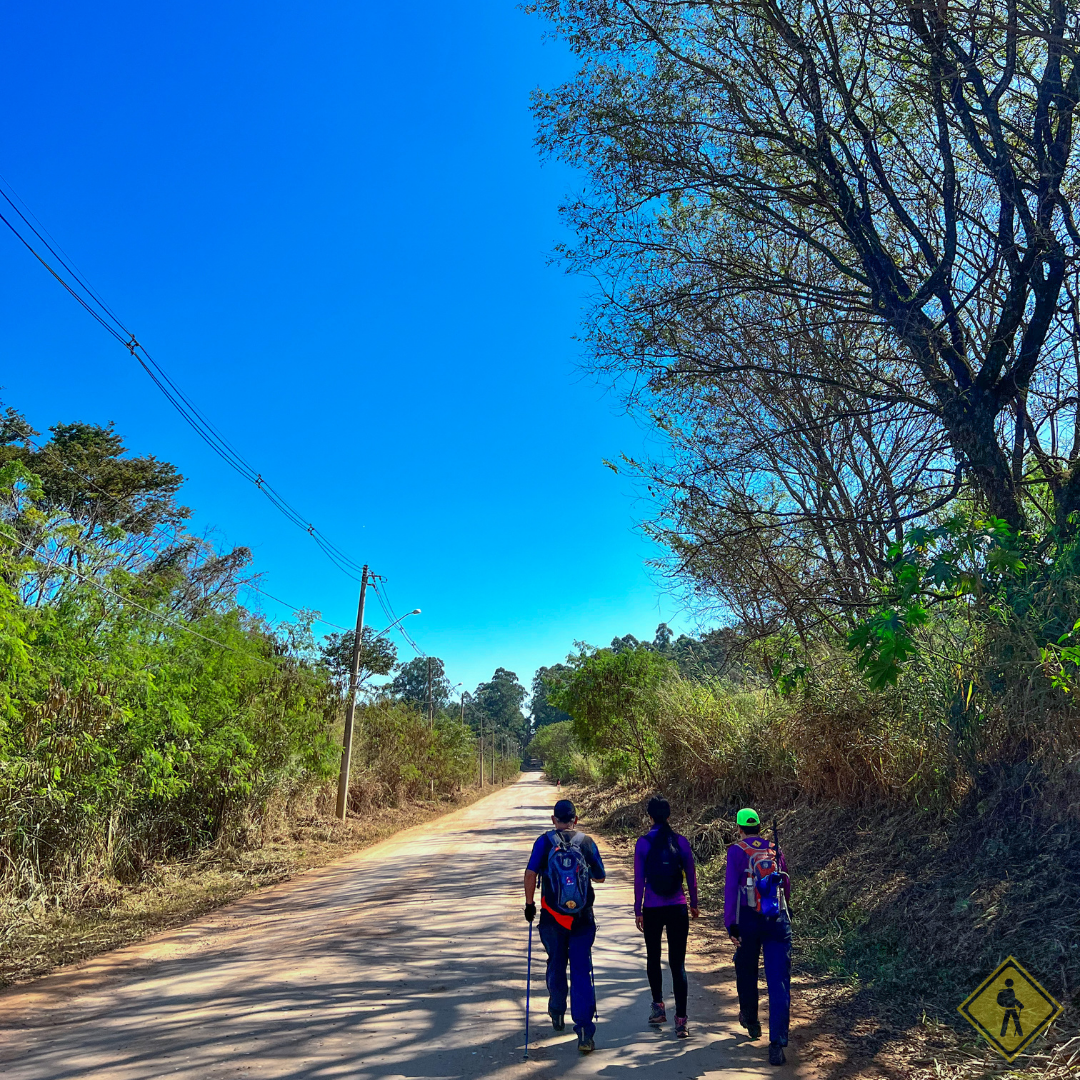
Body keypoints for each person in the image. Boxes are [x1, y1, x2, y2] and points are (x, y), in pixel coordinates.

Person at [523, 798, 607, 1053]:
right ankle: (584, 1032)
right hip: (582, 919)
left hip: (552, 919)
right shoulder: (586, 842)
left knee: (556, 964)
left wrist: (529, 905)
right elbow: (601, 877)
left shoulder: (544, 842)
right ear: (575, 819)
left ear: (553, 820)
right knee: (581, 971)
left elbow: (530, 874)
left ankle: (557, 1010)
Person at [724, 807, 791, 1066]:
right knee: (778, 981)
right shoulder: (774, 848)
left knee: (746, 969)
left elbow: (731, 890)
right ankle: (777, 1045)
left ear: (739, 828)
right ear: (759, 827)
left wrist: (731, 924)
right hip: (777, 919)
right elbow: (785, 885)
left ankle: (751, 1021)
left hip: (748, 920)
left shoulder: (736, 851)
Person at [634, 796, 699, 1038]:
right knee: (677, 964)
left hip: (652, 907)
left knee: (653, 957)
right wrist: (694, 903)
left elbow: (639, 880)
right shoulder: (680, 842)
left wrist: (638, 909)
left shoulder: (643, 843)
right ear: (669, 816)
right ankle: (681, 1021)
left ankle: (658, 1007)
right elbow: (691, 874)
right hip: (677, 907)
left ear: (650, 817)